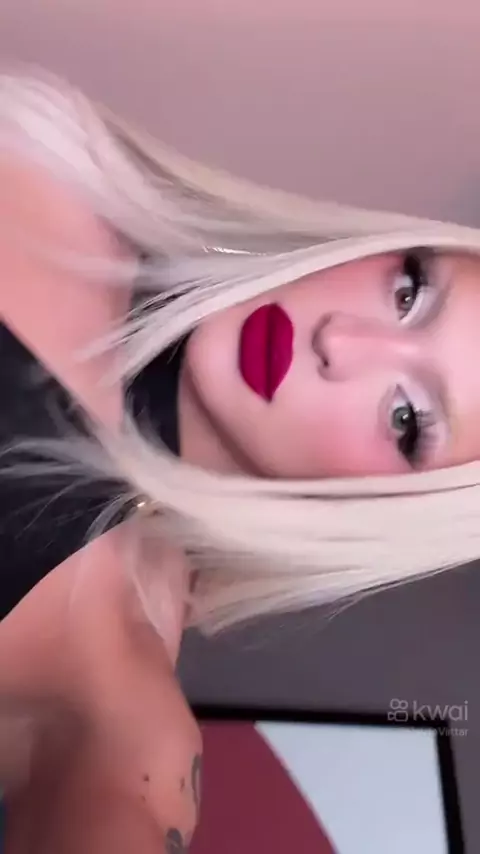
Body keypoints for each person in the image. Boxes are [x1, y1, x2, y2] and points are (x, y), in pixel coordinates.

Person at [1, 67, 480, 851]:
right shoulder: (61, 163)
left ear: (383, 509)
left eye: (406, 420)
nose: (341, 341)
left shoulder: (117, 689)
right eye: (409, 291)